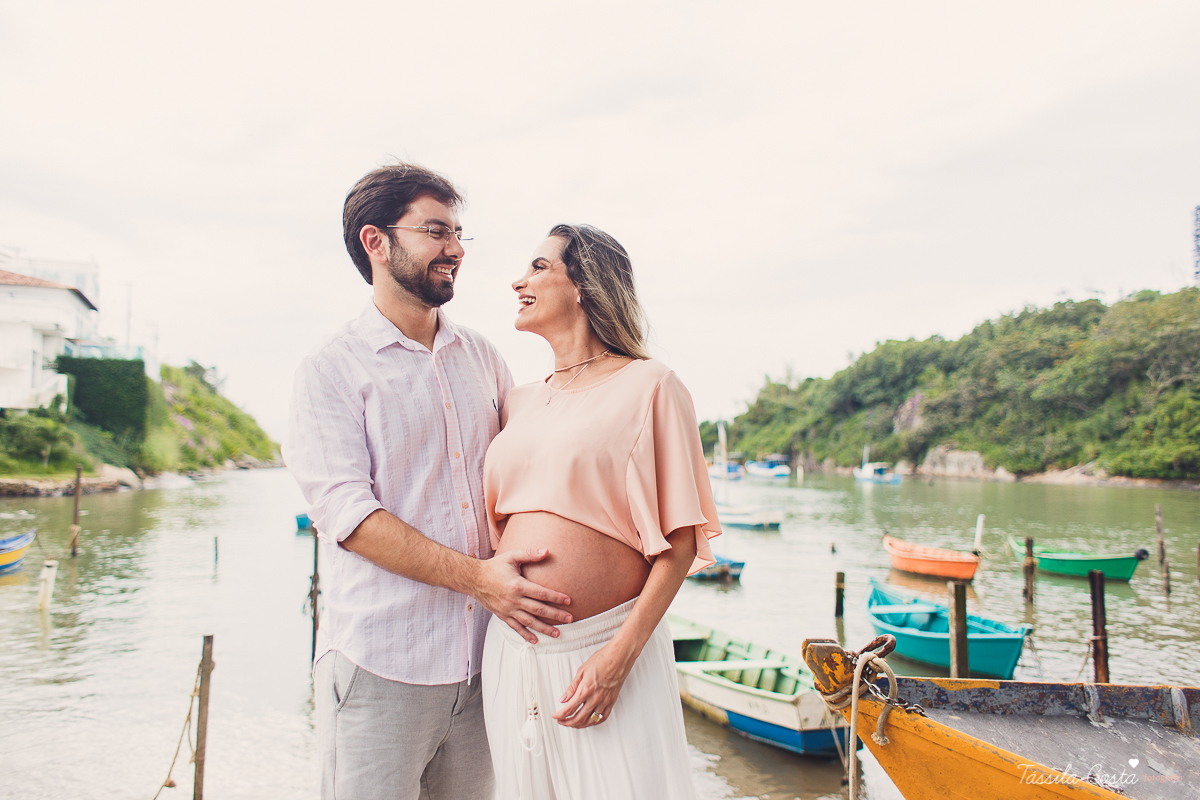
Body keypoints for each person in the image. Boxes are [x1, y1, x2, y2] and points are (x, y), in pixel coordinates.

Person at [284, 163, 575, 800]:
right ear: (376, 242)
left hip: (485, 666)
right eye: (437, 231)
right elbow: (349, 518)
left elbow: (528, 478)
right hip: (382, 665)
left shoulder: (484, 358)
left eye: (460, 233)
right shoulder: (329, 370)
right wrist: (480, 579)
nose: (456, 251)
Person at [481, 223, 721, 799]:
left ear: (585, 283)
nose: (519, 280)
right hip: (513, 650)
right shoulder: (518, 400)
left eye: (539, 267)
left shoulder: (652, 385)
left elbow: (681, 543)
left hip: (606, 647)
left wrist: (618, 659)